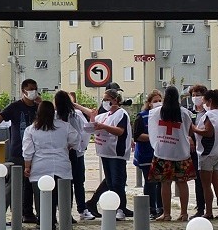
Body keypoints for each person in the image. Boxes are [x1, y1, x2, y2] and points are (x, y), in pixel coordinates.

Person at [22, 100, 77, 229]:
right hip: (62, 166)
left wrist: (27, 167)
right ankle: (65, 224)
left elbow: (28, 151)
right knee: (63, 197)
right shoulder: (65, 126)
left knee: (42, 198)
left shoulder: (31, 129)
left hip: (40, 166)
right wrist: (66, 146)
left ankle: (46, 223)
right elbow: (75, 140)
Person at [149, 86, 196, 222]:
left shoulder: (156, 112)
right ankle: (184, 213)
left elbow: (152, 129)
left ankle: (167, 213)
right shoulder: (185, 113)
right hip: (181, 152)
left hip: (163, 152)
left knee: (165, 183)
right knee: (182, 183)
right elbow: (188, 130)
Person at [0, 78, 40, 223]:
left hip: (37, 153)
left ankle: (28, 213)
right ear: (23, 91)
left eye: (35, 89)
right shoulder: (15, 107)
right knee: (15, 185)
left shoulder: (38, 107)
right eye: (31, 89)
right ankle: (4, 215)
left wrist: (41, 104)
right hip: (18, 152)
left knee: (31, 186)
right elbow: (0, 118)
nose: (34, 92)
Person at [92, 88, 133, 220]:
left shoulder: (121, 114)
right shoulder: (105, 115)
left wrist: (104, 127)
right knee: (110, 182)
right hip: (106, 153)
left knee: (117, 182)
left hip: (117, 153)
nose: (105, 102)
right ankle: (114, 206)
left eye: (107, 100)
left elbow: (120, 131)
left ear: (115, 100)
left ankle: (121, 208)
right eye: (103, 100)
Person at [54, 91, 91, 222]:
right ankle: (77, 211)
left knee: (65, 184)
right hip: (74, 153)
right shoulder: (75, 115)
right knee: (77, 182)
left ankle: (64, 213)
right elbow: (83, 133)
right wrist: (80, 146)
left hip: (63, 153)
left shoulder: (57, 116)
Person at [194, 89, 218, 220]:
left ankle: (209, 211)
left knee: (206, 185)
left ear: (210, 101)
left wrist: (194, 129)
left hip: (208, 153)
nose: (203, 103)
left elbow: (208, 132)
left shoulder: (210, 115)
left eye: (204, 101)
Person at [133, 90, 163, 219]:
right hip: (146, 154)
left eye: (160, 101)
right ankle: (150, 209)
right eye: (155, 101)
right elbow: (137, 135)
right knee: (150, 181)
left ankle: (161, 208)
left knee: (161, 182)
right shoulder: (142, 116)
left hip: (160, 154)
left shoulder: (163, 116)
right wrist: (153, 137)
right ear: (149, 103)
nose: (158, 103)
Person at [187, 85, 208, 218]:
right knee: (198, 180)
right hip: (194, 150)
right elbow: (186, 128)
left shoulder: (208, 111)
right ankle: (200, 207)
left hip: (208, 149)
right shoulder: (190, 112)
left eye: (198, 95)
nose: (195, 97)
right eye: (193, 95)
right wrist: (189, 137)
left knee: (216, 178)